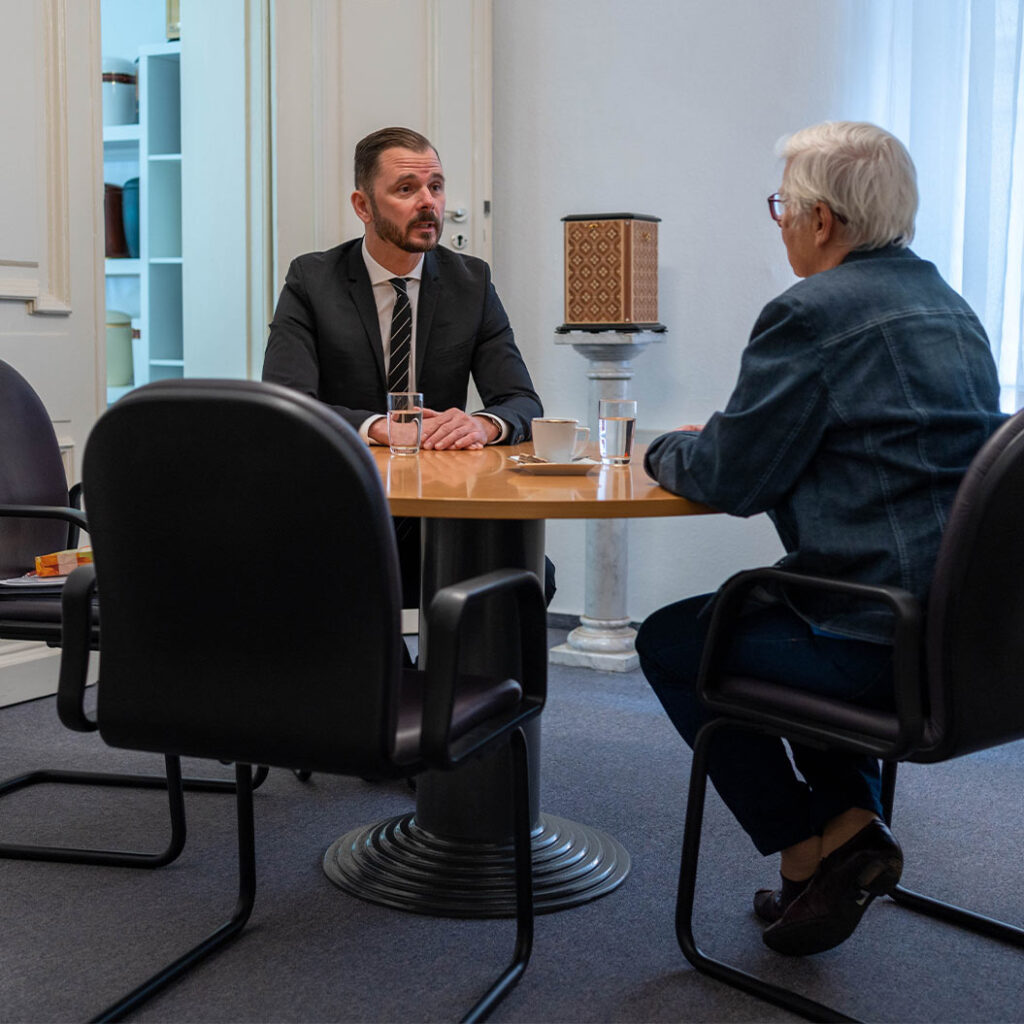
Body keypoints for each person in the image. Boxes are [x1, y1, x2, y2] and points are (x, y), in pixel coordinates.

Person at [636, 121, 1006, 957]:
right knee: (782, 605)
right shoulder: (951, 307)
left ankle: (812, 844)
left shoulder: (811, 312)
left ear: (825, 221)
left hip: (877, 636)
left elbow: (733, 478)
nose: (782, 224)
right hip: (970, 638)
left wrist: (662, 449)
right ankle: (853, 830)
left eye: (784, 208)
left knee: (672, 641)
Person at [263, 126, 553, 605]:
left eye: (435, 187)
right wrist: (380, 427)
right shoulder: (312, 280)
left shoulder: (471, 282)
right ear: (363, 206)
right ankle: (385, 676)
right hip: (342, 503)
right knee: (344, 580)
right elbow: (287, 406)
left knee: (528, 571)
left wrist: (482, 424)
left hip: (441, 506)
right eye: (406, 189)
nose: (428, 203)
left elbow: (522, 401)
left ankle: (468, 682)